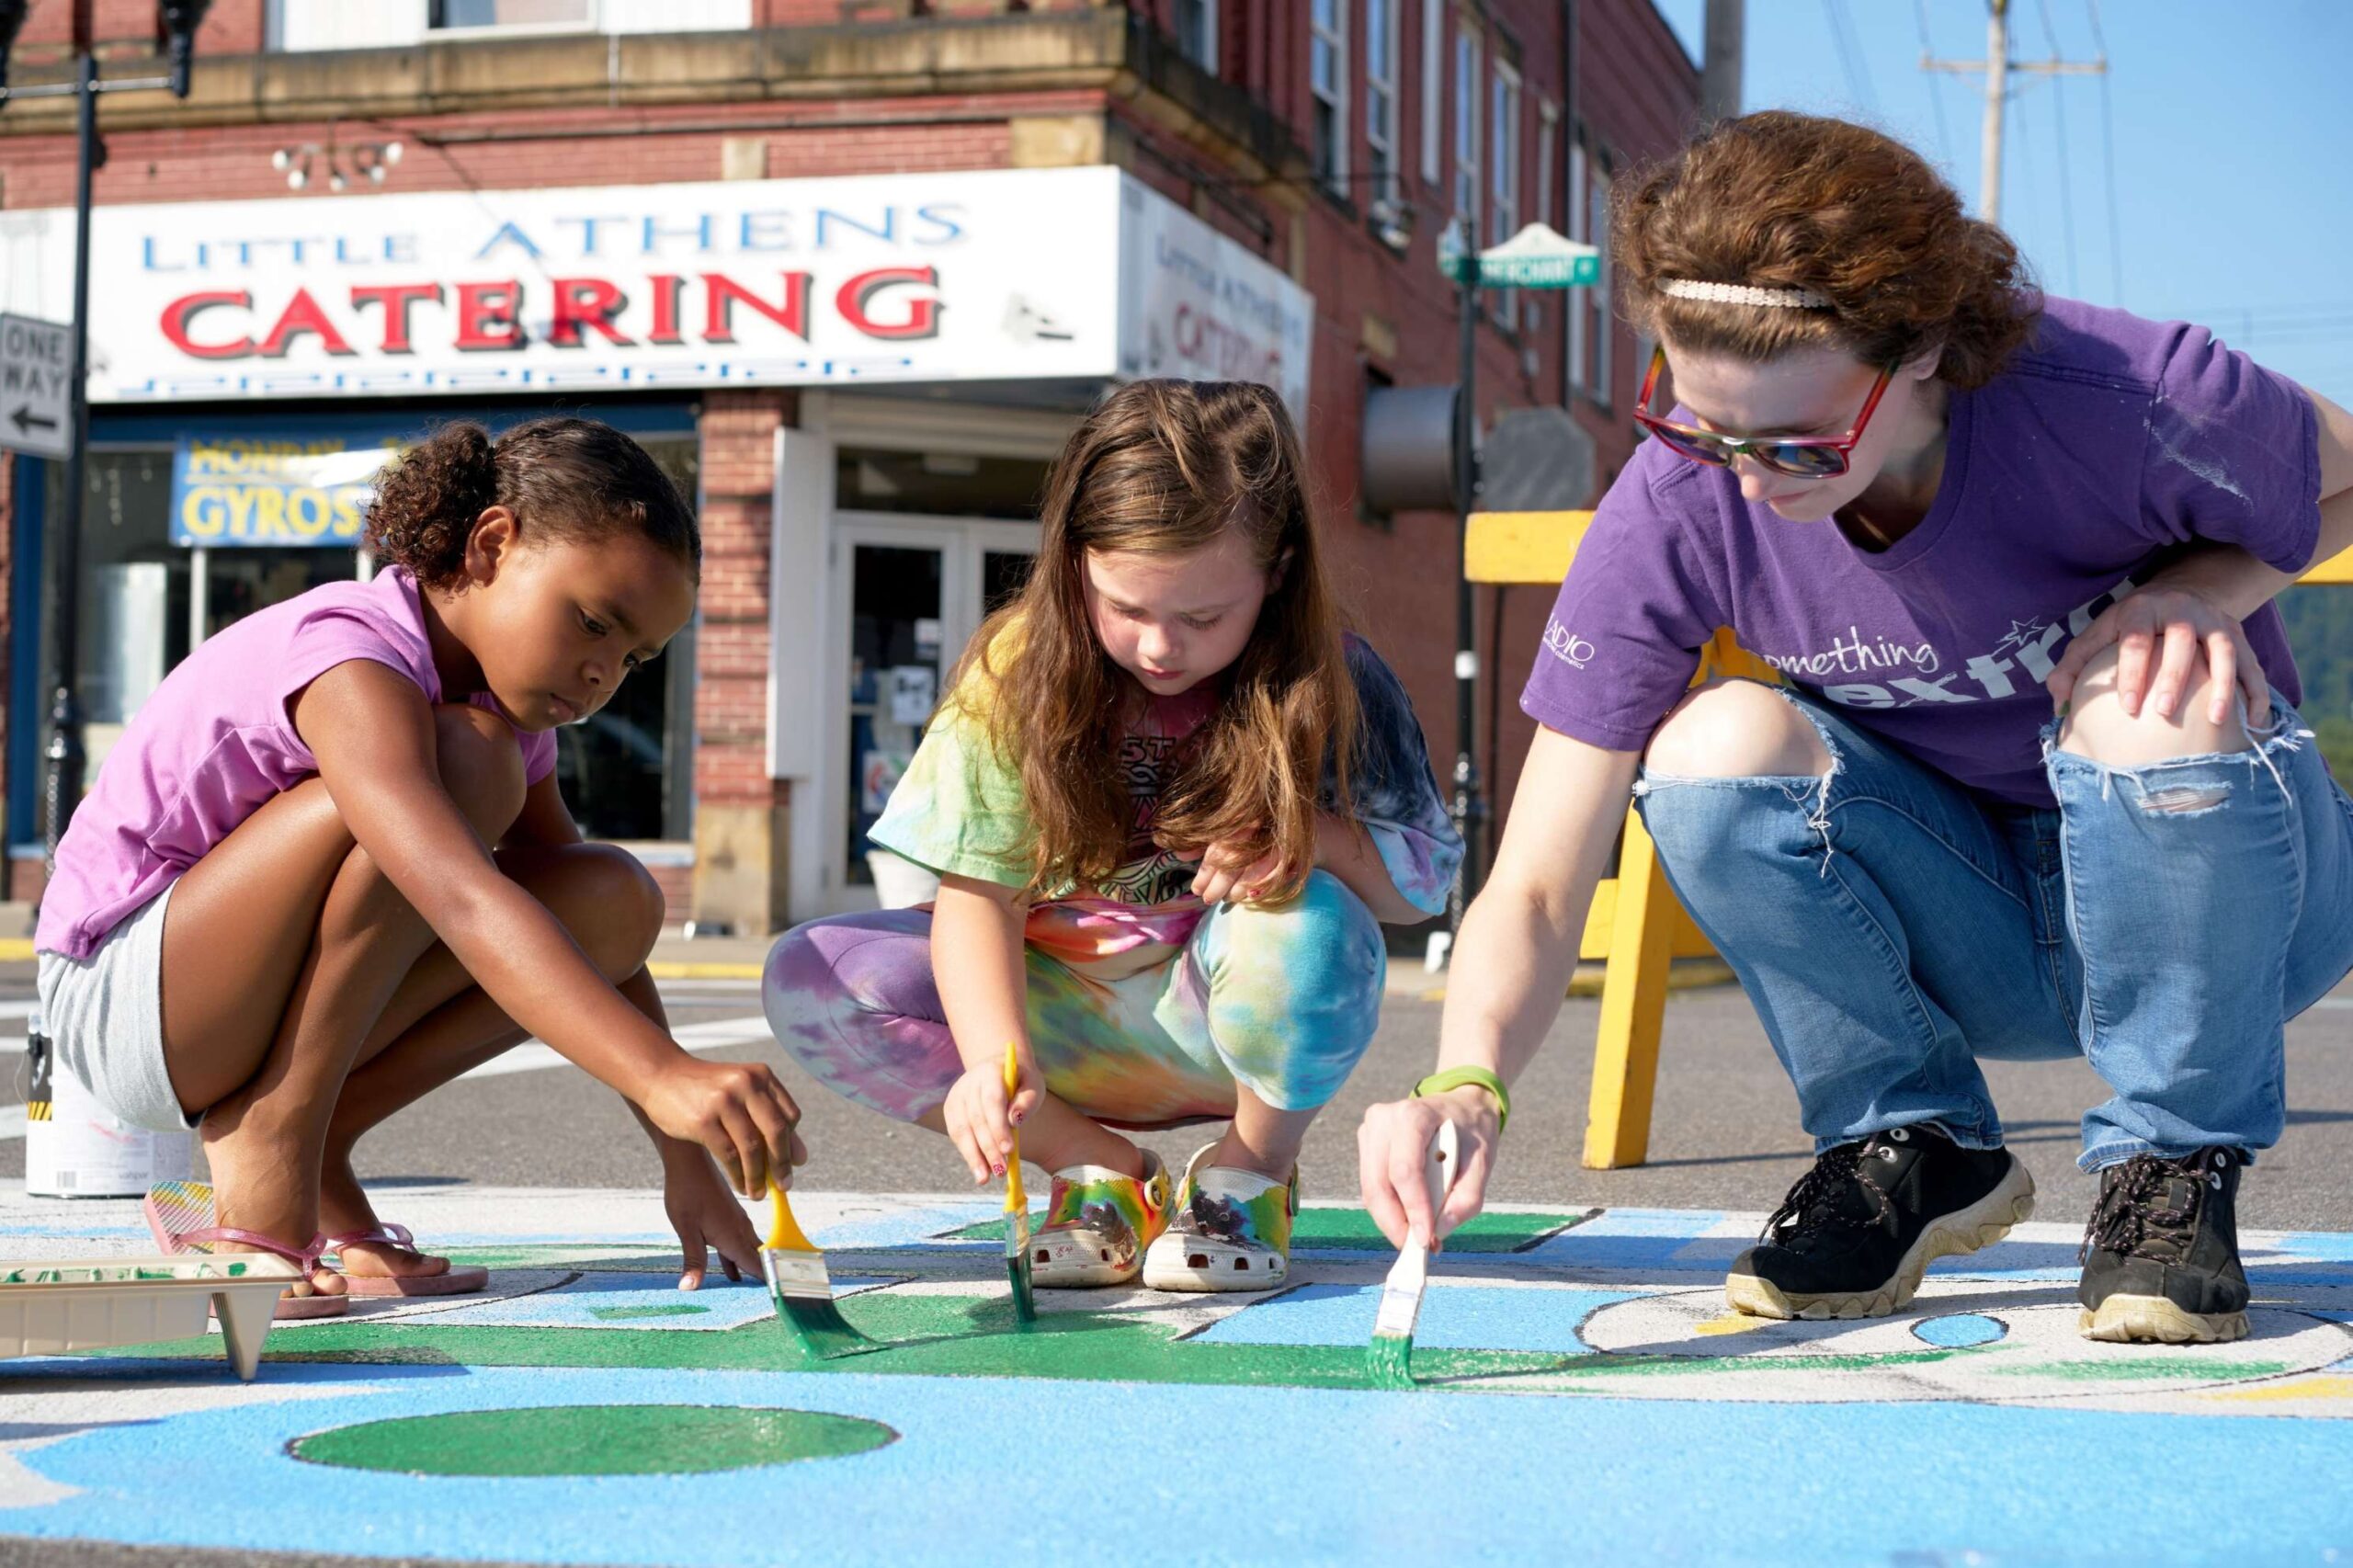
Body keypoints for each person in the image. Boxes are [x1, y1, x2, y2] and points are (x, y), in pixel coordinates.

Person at [1358, 111, 2353, 1346]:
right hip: (1980, 930)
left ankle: (2174, 1160)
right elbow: (1540, 876)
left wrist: (2202, 589)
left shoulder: (2124, 393)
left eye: (1798, 440)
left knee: (2141, 686)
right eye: (1702, 423)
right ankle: (1914, 1144)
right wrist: (1465, 1083)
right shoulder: (1684, 498)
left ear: (1924, 346)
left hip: (2237, 911)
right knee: (1710, 748)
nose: (1749, 478)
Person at [35, 418, 804, 1315]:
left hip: (218, 1006)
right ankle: (272, 1134)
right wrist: (659, 1076)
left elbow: (600, 941)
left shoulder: (503, 716)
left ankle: (315, 1140)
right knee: (469, 767)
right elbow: (461, 897)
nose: (603, 673)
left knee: (613, 897)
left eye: (633, 658)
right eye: (593, 622)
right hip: (126, 998)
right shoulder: (353, 653)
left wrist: (684, 1155)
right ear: (491, 545)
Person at [766, 379, 1460, 1292]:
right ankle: (1102, 1173)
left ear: (1280, 570)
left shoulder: (1332, 675)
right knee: (811, 975)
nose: (1161, 647)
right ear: (1073, 565)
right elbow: (977, 895)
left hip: (1225, 1016)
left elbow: (1420, 888)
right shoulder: (1017, 669)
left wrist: (1312, 840)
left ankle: (1248, 1172)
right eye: (1125, 608)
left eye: (1202, 617)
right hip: (1059, 1018)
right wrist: (997, 1064)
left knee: (1317, 922)